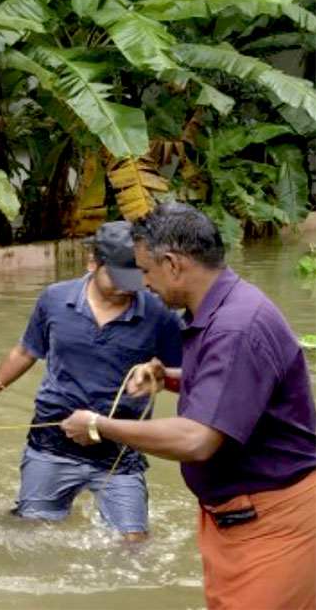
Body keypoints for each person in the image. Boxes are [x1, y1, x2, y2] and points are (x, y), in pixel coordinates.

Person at [61, 203, 316, 609]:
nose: (143, 284)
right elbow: (236, 385)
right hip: (235, 518)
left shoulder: (235, 326)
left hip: (271, 522)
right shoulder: (218, 309)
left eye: (146, 271)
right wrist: (169, 377)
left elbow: (197, 439)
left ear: (173, 264)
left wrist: (98, 425)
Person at [0, 221, 182, 540]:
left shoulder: (160, 312)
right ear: (93, 263)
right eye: (119, 276)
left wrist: (158, 376)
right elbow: (24, 352)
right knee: (31, 536)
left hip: (119, 450)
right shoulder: (55, 300)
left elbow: (186, 375)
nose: (129, 286)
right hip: (53, 441)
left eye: (138, 276)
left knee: (133, 545)